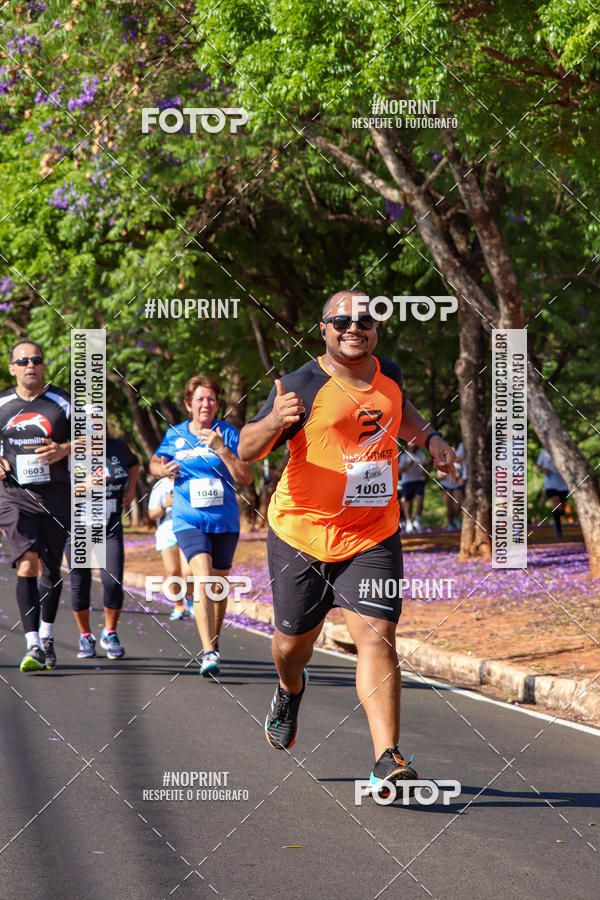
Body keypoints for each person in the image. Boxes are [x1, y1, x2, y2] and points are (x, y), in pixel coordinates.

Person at [238, 290, 456, 795]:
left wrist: (430, 439)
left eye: (364, 319)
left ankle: (387, 756)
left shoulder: (390, 373)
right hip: (301, 534)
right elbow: (248, 450)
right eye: (342, 320)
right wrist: (273, 420)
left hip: (372, 534)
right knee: (292, 646)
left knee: (378, 636)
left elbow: (401, 410)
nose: (353, 327)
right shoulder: (300, 384)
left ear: (376, 327)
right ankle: (290, 689)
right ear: (324, 328)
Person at [149, 376, 253, 676]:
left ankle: (213, 642)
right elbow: (155, 462)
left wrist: (222, 449)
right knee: (205, 579)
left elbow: (246, 478)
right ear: (188, 404)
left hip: (225, 522)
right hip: (188, 520)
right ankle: (208, 652)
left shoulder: (229, 433)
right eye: (200, 399)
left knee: (218, 586)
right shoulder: (175, 434)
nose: (205, 404)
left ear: (217, 404)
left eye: (211, 399)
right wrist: (162, 469)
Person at [0, 340, 71, 672]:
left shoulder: (63, 402)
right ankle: (32, 644)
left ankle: (47, 634)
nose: (30, 365)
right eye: (23, 360)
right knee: (28, 564)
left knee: (51, 569)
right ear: (12, 367)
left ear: (44, 366)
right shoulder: (1, 403)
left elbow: (96, 438)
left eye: (36, 360)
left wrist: (64, 449)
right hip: (14, 494)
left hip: (55, 495)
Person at [64, 415, 139, 659]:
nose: (94, 429)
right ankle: (85, 636)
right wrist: (85, 485)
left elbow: (134, 463)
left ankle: (110, 632)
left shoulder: (117, 446)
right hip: (78, 527)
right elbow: (57, 488)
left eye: (99, 423)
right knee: (80, 583)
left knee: (113, 581)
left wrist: (130, 490)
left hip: (110, 524)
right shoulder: (68, 451)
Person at [148, 476, 193, 619]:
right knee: (173, 572)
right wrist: (165, 504)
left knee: (188, 571)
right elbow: (152, 513)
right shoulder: (160, 486)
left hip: (188, 528)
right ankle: (178, 605)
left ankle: (192, 603)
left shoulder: (190, 480)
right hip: (167, 531)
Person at [536, 448, 568, 538]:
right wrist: (543, 470)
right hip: (550, 483)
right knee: (555, 501)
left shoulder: (563, 449)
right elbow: (538, 465)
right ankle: (558, 529)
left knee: (561, 508)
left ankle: (560, 514)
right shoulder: (544, 452)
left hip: (563, 484)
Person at [397, 440, 427, 532]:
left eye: (414, 444)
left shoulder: (421, 455)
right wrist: (407, 466)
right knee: (408, 503)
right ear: (408, 445)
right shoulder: (404, 456)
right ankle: (409, 522)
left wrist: (424, 471)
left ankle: (417, 521)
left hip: (418, 480)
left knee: (420, 501)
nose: (413, 446)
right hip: (407, 482)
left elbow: (425, 468)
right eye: (411, 444)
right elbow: (399, 472)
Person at [438, 447, 462, 531]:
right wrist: (448, 472)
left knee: (458, 503)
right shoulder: (442, 462)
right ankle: (450, 522)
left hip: (456, 485)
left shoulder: (458, 463)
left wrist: (459, 477)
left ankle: (456, 518)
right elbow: (439, 477)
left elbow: (462, 474)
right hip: (445, 486)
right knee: (449, 506)